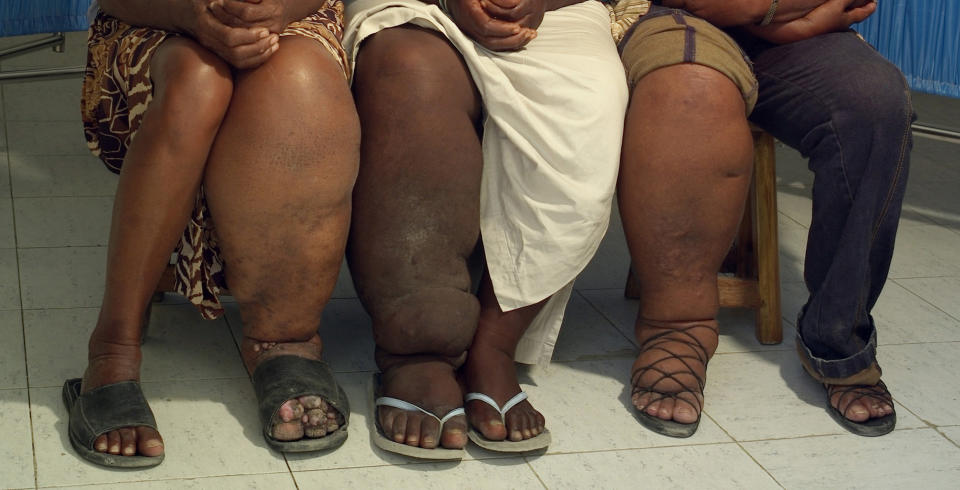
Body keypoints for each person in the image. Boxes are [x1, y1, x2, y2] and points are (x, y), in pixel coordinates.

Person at [64, 0, 359, 467]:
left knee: (297, 81)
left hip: (294, 12)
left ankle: (283, 338)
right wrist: (191, 15)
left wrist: (278, 11)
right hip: (152, 14)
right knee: (196, 83)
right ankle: (113, 347)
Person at [343, 0, 628, 457]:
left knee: (588, 100)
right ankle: (418, 348)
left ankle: (495, 344)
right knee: (410, 70)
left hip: (556, 9)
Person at [613, 0, 912, 437]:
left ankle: (838, 339)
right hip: (672, 13)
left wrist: (784, 19)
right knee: (693, 87)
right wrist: (768, 10)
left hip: (799, 25)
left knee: (874, 102)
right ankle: (676, 327)